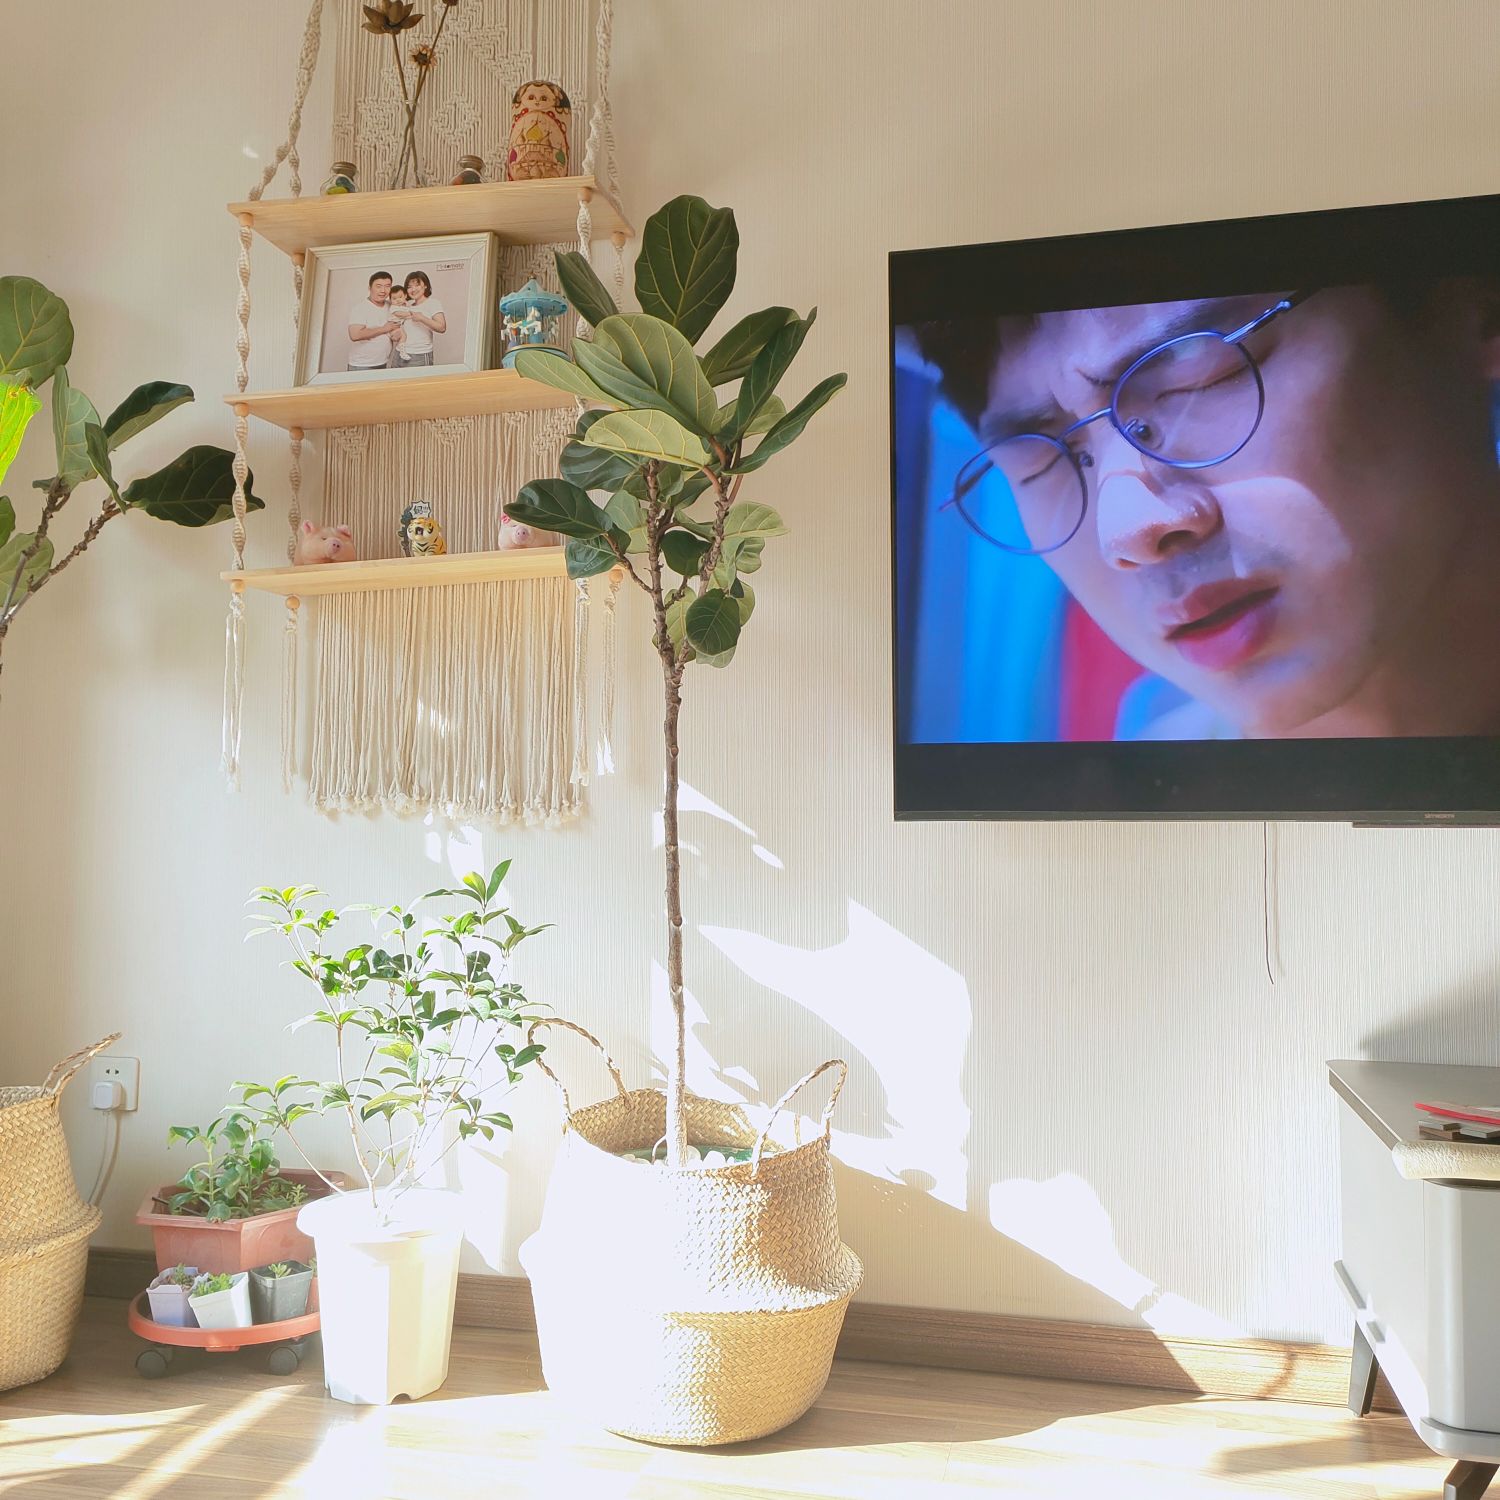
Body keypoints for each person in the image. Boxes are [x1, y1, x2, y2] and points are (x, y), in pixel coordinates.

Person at [916, 281, 1500, 739]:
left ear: (1477, 305)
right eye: (1042, 459)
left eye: (1197, 377)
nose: (1127, 529)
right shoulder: (1133, 826)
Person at [345, 271, 400, 372]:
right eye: (378, 286)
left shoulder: (391, 306)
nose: (383, 290)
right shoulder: (360, 308)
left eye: (387, 286)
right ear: (370, 288)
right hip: (361, 365)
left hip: (383, 362)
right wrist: (384, 329)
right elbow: (355, 335)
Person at [398, 270, 447, 367]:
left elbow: (442, 328)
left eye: (417, 285)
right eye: (409, 287)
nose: (413, 289)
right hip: (399, 353)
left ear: (425, 286)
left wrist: (422, 318)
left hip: (419, 355)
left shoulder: (433, 303)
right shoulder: (407, 305)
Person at [386, 284, 411, 365]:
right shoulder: (394, 307)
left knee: (403, 335)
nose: (398, 300)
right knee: (403, 335)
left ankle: (401, 349)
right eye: (394, 298)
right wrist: (412, 314)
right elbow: (400, 314)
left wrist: (406, 304)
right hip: (393, 328)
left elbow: (407, 307)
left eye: (400, 297)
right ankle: (402, 351)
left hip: (398, 327)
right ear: (390, 300)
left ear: (405, 296)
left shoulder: (405, 305)